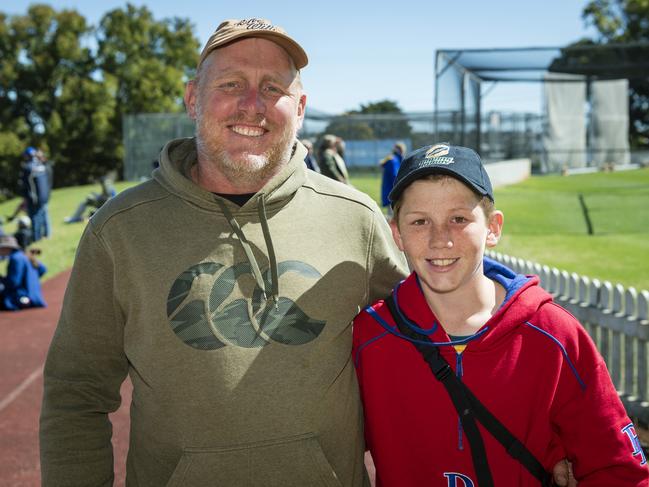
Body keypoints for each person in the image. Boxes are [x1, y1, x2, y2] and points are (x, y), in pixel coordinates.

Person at [39, 18, 407, 487]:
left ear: (300, 108)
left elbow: (422, 348)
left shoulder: (355, 217)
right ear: (193, 98)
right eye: (231, 84)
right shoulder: (119, 230)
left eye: (272, 87)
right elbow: (77, 393)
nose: (252, 105)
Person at [352, 143, 649, 486]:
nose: (440, 239)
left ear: (493, 228)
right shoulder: (369, 337)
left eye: (459, 219)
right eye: (420, 221)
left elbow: (618, 468)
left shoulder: (551, 332)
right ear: (397, 234)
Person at [0, 235, 46, 311]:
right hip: (35, 296)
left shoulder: (15, 258)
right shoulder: (24, 255)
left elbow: (14, 282)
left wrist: (2, 279)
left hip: (23, 297)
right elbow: (43, 270)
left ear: (7, 247)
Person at [19, 147, 51, 241]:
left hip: (34, 198)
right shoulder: (41, 166)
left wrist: (27, 198)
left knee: (35, 218)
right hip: (44, 196)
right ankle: (47, 234)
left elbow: (25, 185)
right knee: (44, 215)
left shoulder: (28, 167)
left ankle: (36, 238)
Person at [379, 142, 406, 217]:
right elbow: (395, 177)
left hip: (390, 192)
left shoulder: (394, 159)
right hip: (392, 193)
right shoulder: (394, 161)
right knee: (393, 217)